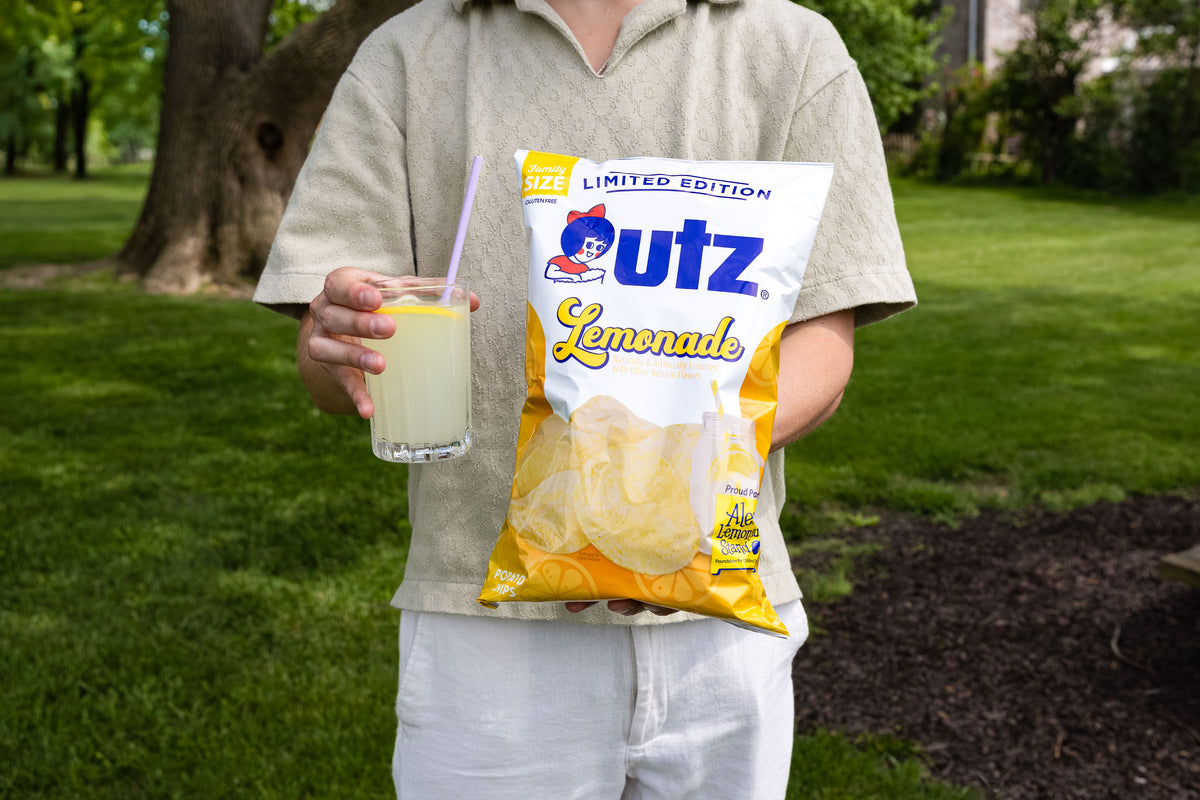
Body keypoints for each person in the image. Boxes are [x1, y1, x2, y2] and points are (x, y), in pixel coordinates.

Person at [253, 0, 916, 795]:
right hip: (482, 624)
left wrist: (653, 506)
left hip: (720, 619)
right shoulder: (409, 51)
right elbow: (329, 368)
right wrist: (341, 340)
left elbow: (822, 345)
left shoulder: (790, 46)